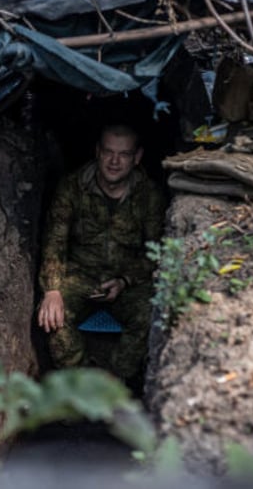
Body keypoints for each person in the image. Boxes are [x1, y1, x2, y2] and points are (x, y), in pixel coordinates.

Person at [37, 124, 165, 382]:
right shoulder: (72, 187)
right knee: (51, 316)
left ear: (137, 157)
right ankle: (81, 384)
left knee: (153, 315)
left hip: (126, 281)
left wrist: (125, 280)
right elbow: (55, 240)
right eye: (108, 152)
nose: (114, 161)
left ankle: (113, 384)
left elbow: (157, 251)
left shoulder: (149, 194)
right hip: (81, 276)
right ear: (97, 151)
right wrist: (52, 291)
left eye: (124, 154)